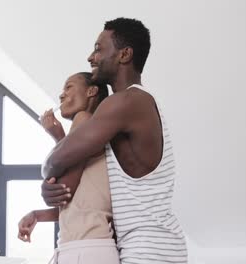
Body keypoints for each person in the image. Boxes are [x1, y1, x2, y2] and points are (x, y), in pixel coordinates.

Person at [41, 18, 188, 263]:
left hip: (149, 249)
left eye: (99, 49)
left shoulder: (125, 102)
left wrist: (46, 172)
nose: (91, 57)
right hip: (150, 244)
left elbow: (58, 159)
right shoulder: (134, 104)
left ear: (124, 54)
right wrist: (52, 189)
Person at [17, 72, 120, 264]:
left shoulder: (85, 118)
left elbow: (65, 188)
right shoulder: (95, 130)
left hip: (85, 249)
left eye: (69, 87)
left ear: (91, 91)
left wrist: (58, 139)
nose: (61, 95)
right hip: (89, 248)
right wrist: (38, 215)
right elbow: (80, 205)